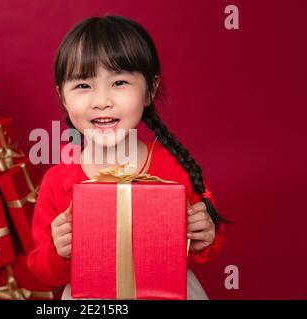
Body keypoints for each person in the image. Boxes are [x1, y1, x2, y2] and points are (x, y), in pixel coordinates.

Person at [27, 15, 227, 300]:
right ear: (62, 97)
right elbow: (40, 268)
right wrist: (59, 252)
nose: (102, 100)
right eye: (83, 85)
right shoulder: (57, 181)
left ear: (150, 90)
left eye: (119, 82)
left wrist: (203, 237)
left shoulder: (173, 167)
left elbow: (210, 241)